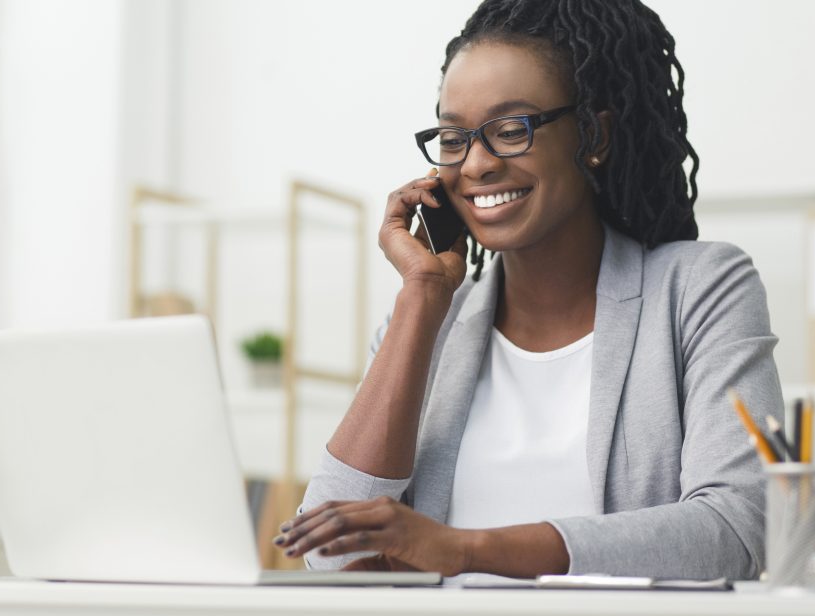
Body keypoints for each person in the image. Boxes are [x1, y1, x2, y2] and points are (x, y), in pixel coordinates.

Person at [273, 0, 782, 580]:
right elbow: (326, 553)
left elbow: (738, 528)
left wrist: (466, 550)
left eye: (511, 130)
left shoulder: (699, 290)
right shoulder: (426, 322)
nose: (476, 164)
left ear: (594, 134)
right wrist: (422, 296)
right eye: (452, 137)